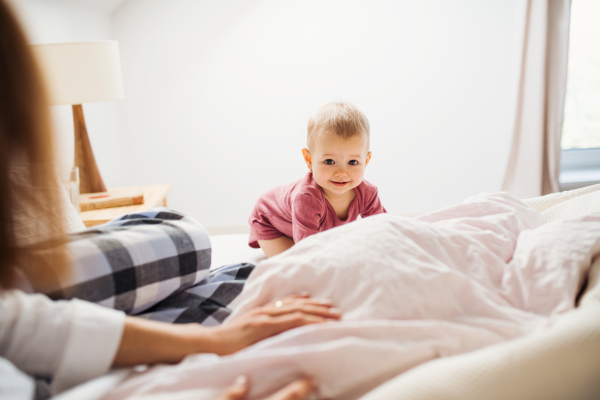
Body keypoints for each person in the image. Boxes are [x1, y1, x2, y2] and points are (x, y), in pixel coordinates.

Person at [0, 1, 340, 399]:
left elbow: (26, 326)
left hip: (39, 300)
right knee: (232, 273)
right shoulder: (304, 197)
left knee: (206, 253)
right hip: (42, 296)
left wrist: (215, 343)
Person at [248, 102, 386, 257]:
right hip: (269, 220)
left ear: (366, 161)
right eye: (329, 161)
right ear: (309, 159)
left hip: (305, 228)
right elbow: (308, 253)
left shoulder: (367, 193)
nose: (341, 173)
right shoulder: (306, 198)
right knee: (293, 265)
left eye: (353, 162)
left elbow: (383, 229)